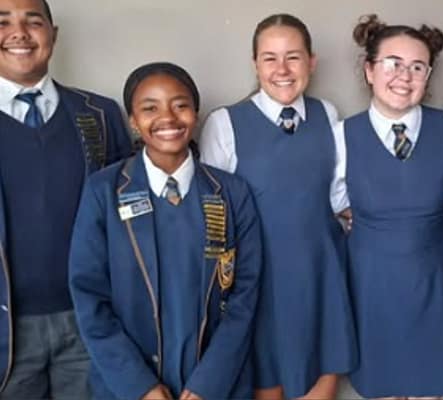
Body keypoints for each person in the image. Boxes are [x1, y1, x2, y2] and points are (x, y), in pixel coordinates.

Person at [69, 62, 262, 400]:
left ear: (195, 114)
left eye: (180, 105)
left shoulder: (232, 193)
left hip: (216, 383)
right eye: (150, 108)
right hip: (128, 385)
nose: (168, 118)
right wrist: (138, 386)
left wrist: (208, 384)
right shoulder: (103, 192)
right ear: (132, 120)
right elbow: (89, 298)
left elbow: (245, 297)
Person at [198, 13, 357, 400]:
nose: (282, 70)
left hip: (321, 277)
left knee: (321, 380)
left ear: (311, 62)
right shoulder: (225, 123)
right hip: (259, 285)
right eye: (270, 58)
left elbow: (339, 198)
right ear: (255, 64)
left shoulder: (327, 114)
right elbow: (212, 218)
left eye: (293, 57)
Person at [0, 0, 132, 397]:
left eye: (33, 21)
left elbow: (129, 220)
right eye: (3, 22)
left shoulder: (100, 115)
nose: (19, 33)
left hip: (90, 321)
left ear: (53, 35)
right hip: (7, 333)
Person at [332, 14, 443, 398]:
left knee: (431, 387)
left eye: (417, 67)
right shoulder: (342, 135)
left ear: (428, 75)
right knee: (382, 386)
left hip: (435, 279)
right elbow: (334, 199)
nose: (404, 76)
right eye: (392, 63)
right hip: (371, 283)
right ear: (369, 70)